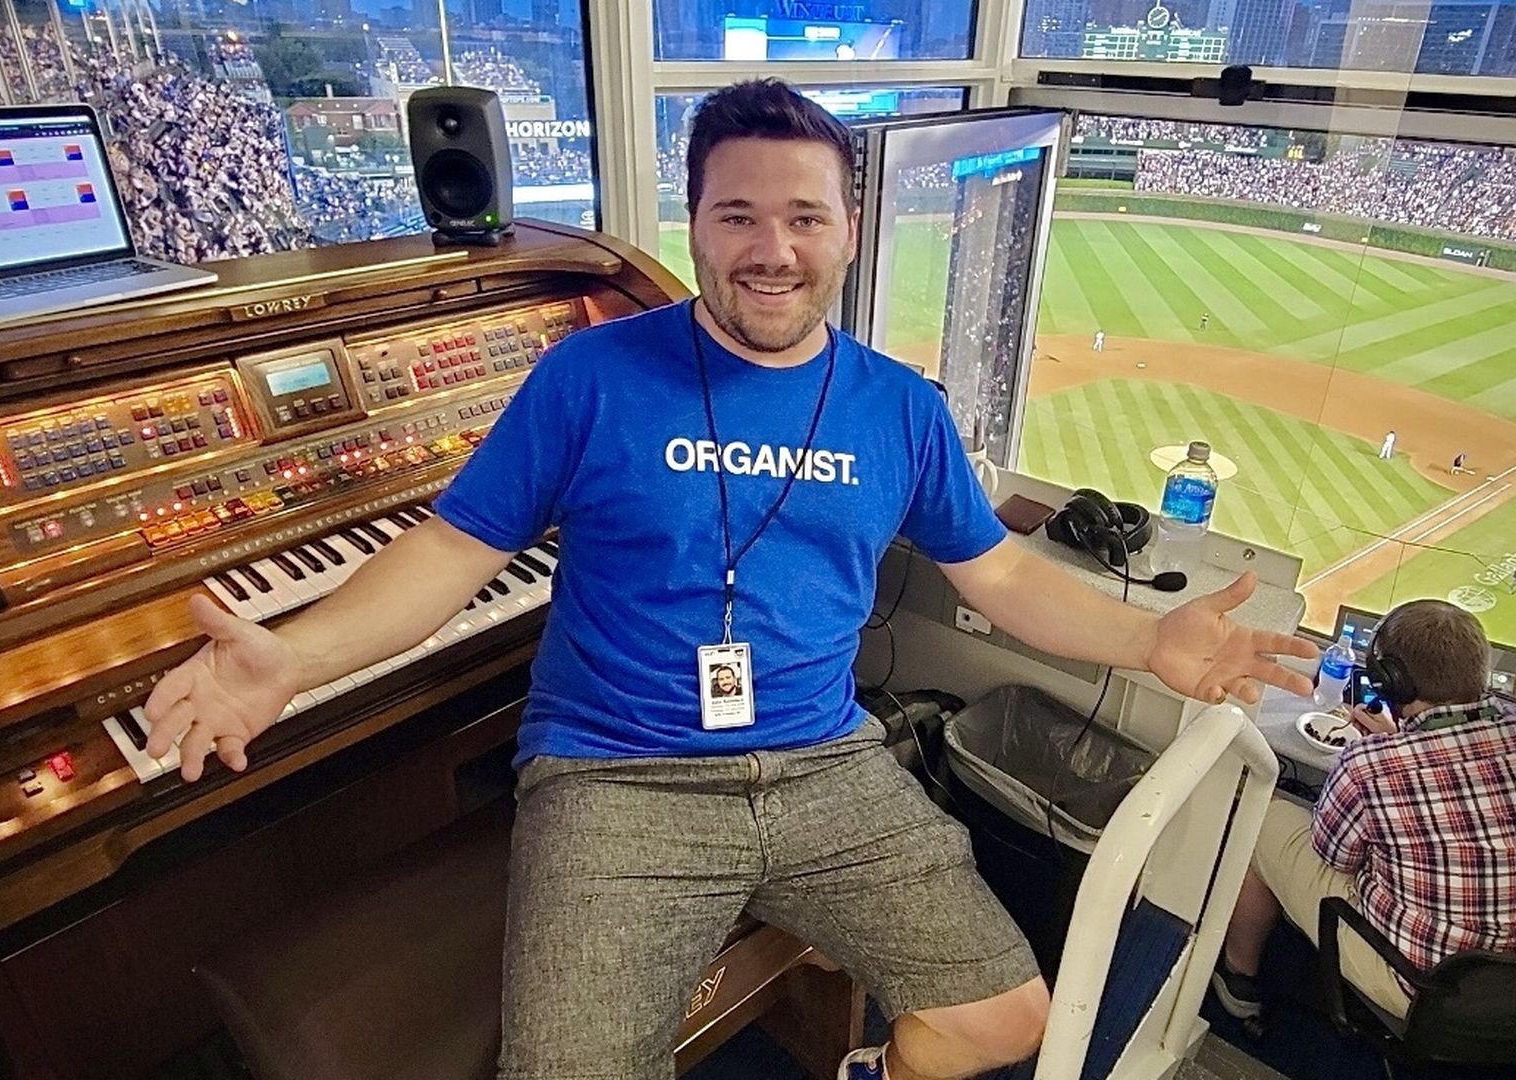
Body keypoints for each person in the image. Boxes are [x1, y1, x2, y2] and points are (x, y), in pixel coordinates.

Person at [143, 79, 1320, 1080]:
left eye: (805, 216)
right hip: (616, 777)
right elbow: (451, 555)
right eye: (739, 214)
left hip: (823, 763)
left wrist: (1150, 642)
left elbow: (1003, 573)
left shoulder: (903, 412)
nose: (773, 249)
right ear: (697, 223)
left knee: (1001, 1020)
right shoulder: (589, 378)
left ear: (850, 230)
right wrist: (292, 655)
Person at [1212, 600, 1516, 1021]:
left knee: (1263, 817)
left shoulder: (1373, 765)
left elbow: (1334, 857)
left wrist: (1380, 753)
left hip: (1429, 991)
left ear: (1390, 682)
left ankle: (1239, 974)